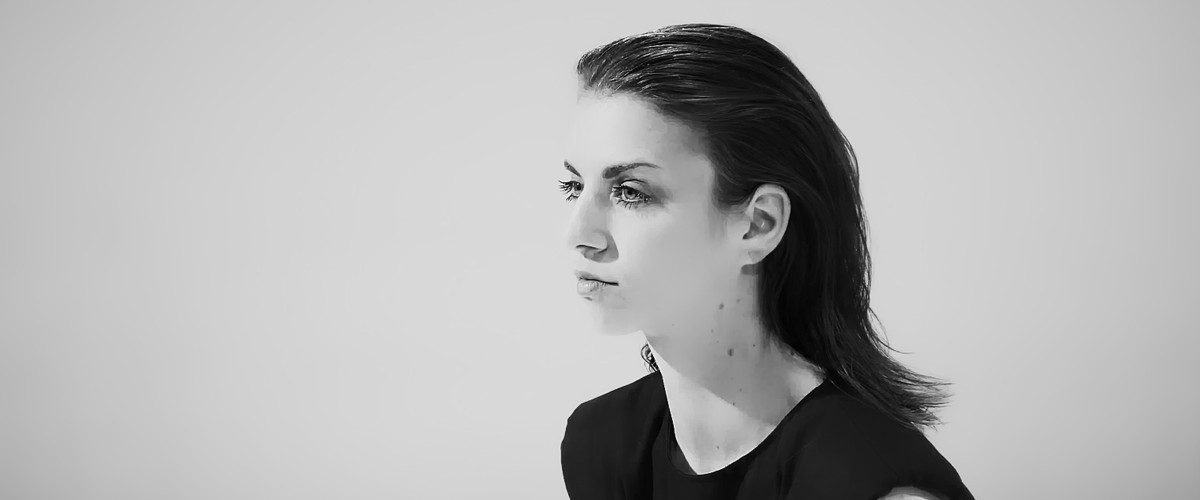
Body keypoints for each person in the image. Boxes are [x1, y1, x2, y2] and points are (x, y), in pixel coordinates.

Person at [557, 23, 974, 500]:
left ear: (759, 224)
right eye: (574, 186)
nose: (578, 235)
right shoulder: (602, 444)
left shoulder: (870, 483)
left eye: (631, 192)